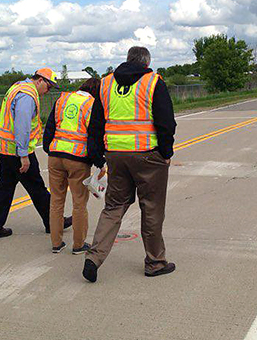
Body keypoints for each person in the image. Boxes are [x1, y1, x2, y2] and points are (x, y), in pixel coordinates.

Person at [83, 46, 177, 282]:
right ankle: (155, 262)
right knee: (152, 208)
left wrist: (98, 156)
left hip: (115, 155)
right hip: (148, 155)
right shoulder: (153, 82)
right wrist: (166, 152)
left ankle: (93, 258)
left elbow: (95, 124)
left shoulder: (105, 84)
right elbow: (166, 121)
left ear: (127, 60)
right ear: (146, 63)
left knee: (113, 207)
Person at [0, 68, 72, 241]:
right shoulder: (27, 95)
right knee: (36, 186)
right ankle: (54, 223)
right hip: (18, 151)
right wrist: (23, 155)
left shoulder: (18, 87)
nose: (47, 91)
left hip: (7, 149)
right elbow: (22, 126)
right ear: (40, 80)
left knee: (6, 187)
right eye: (48, 86)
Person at [43, 78, 106, 254]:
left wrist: (50, 148)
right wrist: (100, 163)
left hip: (55, 155)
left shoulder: (62, 99)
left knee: (56, 201)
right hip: (77, 159)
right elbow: (93, 138)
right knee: (79, 203)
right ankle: (78, 245)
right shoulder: (92, 105)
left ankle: (56, 243)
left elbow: (50, 128)